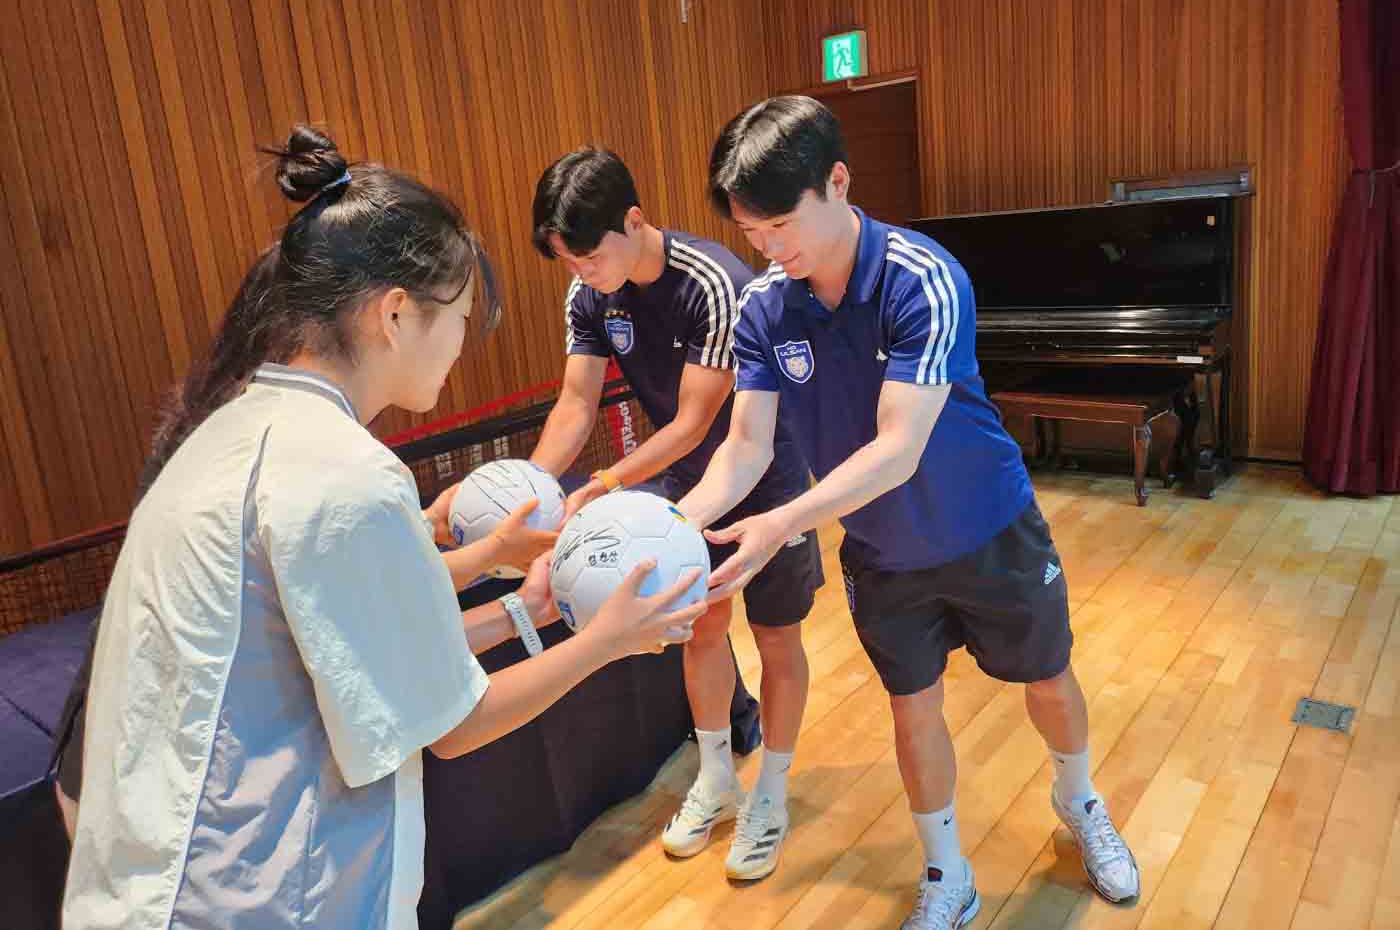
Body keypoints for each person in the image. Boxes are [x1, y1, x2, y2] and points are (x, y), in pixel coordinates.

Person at [60, 127, 705, 930]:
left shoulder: (231, 432)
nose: (464, 343)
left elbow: (350, 641)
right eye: (463, 317)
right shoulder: (347, 477)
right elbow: (456, 725)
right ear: (396, 314)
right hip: (252, 901)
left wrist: (526, 606)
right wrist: (604, 639)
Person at [676, 96, 1141, 928]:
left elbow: (900, 447)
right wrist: (680, 528)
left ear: (840, 181)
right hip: (885, 555)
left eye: (782, 224)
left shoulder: (920, 276)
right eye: (753, 233)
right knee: (911, 706)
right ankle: (947, 871)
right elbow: (745, 449)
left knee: (1048, 679)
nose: (771, 250)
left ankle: (1080, 801)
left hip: (988, 525)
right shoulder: (764, 308)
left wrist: (784, 521)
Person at [523, 148, 824, 880]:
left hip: (767, 476)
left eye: (590, 257)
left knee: (777, 639)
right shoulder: (588, 295)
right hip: (683, 484)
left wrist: (604, 481)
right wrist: (532, 487)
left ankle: (773, 794)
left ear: (634, 222)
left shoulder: (716, 282)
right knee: (701, 628)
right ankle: (717, 777)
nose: (582, 274)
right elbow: (575, 401)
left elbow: (695, 421)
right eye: (569, 263)